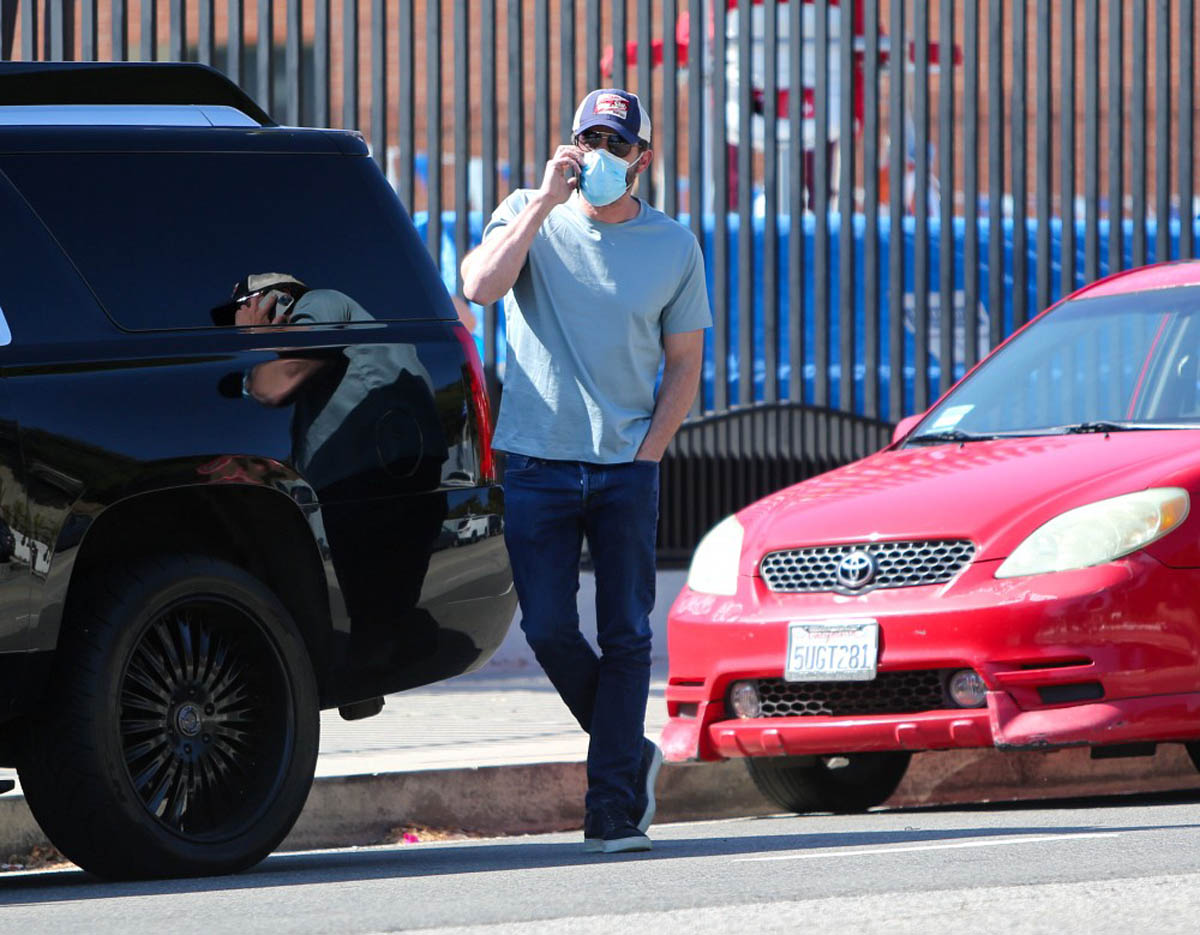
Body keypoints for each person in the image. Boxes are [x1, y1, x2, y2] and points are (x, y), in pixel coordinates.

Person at [460, 88, 712, 854]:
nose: (599, 154)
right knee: (547, 628)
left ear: (643, 159)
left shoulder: (673, 246)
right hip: (537, 462)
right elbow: (478, 287)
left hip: (624, 469)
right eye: (588, 138)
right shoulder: (525, 213)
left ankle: (610, 812)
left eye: (614, 143)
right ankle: (628, 752)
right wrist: (542, 203)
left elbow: (685, 363)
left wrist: (648, 453)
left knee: (627, 635)